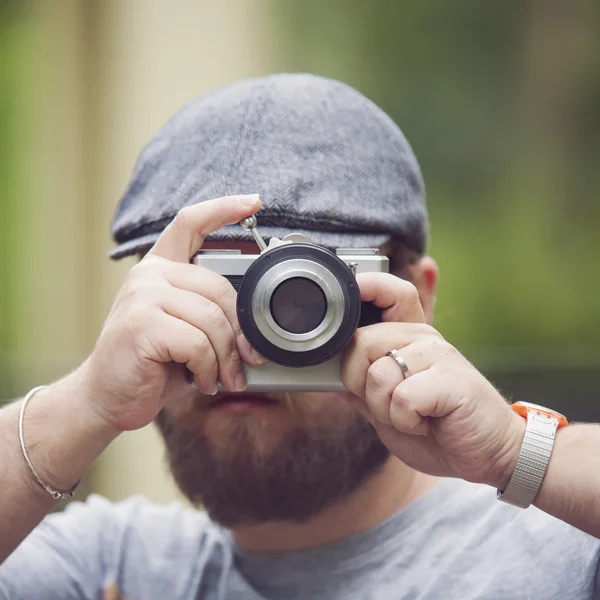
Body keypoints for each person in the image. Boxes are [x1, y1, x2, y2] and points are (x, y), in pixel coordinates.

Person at [1, 74, 599, 600]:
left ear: (418, 295)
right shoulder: (107, 566)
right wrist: (84, 405)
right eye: (204, 290)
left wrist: (513, 453)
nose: (245, 344)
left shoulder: (563, 557)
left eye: (297, 300)